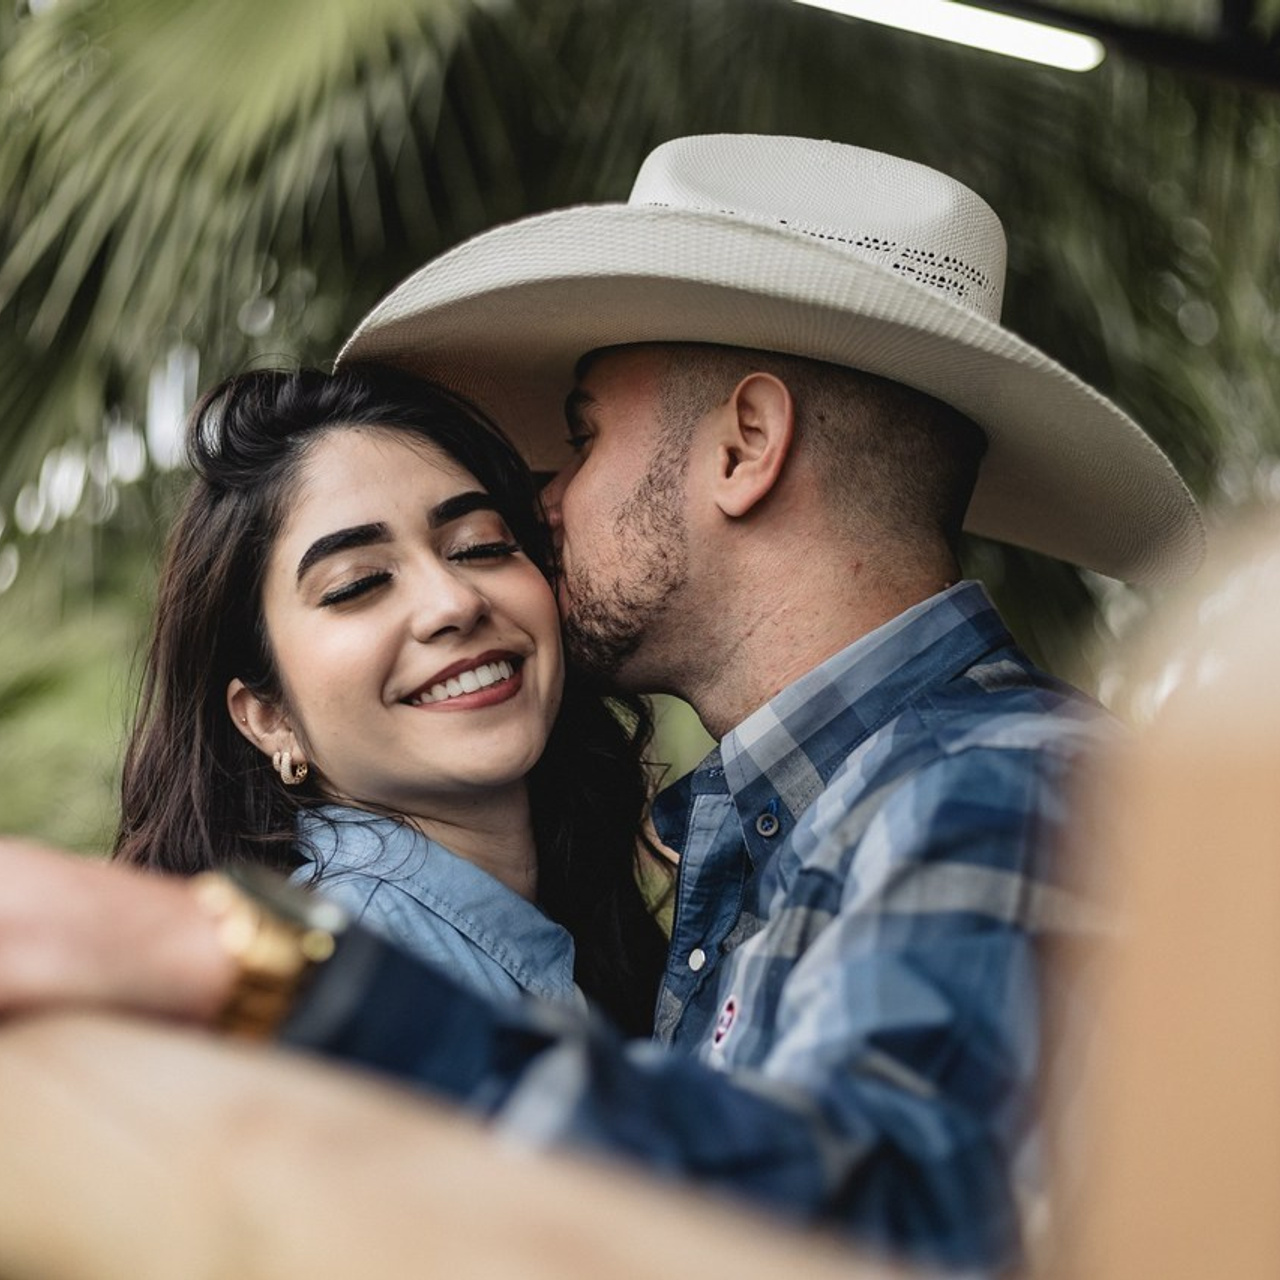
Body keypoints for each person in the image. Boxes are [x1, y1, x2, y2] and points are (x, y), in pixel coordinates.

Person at [0, 135, 1205, 1272]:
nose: (550, 503)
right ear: (259, 710)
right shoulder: (772, 828)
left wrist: (254, 966)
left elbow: (873, 1232)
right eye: (359, 582)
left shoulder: (993, 782)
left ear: (743, 445)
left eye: (581, 439)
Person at [114, 364, 669, 1031]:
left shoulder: (554, 918)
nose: (453, 603)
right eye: (357, 585)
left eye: (480, 546)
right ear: (270, 717)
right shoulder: (364, 976)